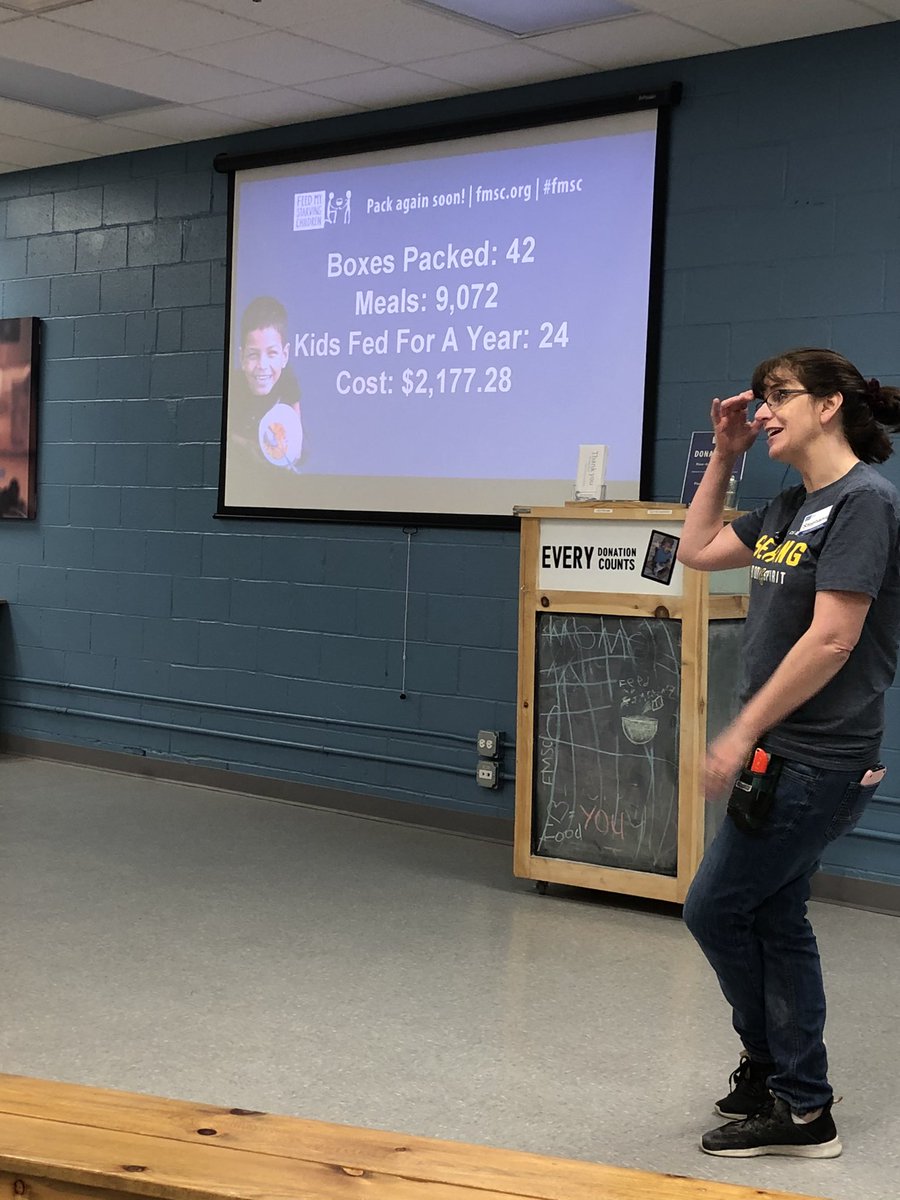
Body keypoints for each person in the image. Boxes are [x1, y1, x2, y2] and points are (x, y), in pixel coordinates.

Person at [677, 347, 900, 1159]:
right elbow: (694, 551)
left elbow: (835, 639)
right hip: (786, 755)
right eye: (761, 400)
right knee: (773, 913)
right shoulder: (785, 508)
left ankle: (787, 1083)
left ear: (830, 405)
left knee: (716, 906)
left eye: (778, 398)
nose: (763, 411)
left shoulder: (863, 505)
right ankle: (794, 1093)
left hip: (815, 759)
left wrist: (739, 732)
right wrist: (726, 459)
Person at [229, 296, 304, 471]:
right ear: (241, 357)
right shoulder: (235, 388)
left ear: (284, 356)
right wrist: (247, 445)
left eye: (272, 354)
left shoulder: (288, 378)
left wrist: (294, 446)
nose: (262, 365)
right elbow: (228, 435)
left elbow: (295, 410)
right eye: (253, 354)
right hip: (243, 462)